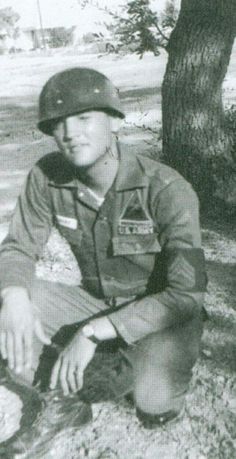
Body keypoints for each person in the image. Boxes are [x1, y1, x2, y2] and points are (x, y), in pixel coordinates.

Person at [0, 67, 207, 429]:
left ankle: (138, 367)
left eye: (84, 118)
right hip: (96, 302)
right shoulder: (48, 176)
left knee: (153, 404)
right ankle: (60, 394)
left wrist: (93, 332)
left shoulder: (165, 188)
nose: (70, 133)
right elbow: (18, 247)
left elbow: (186, 293)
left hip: (161, 315)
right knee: (7, 295)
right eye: (58, 124)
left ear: (113, 121)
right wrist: (14, 297)